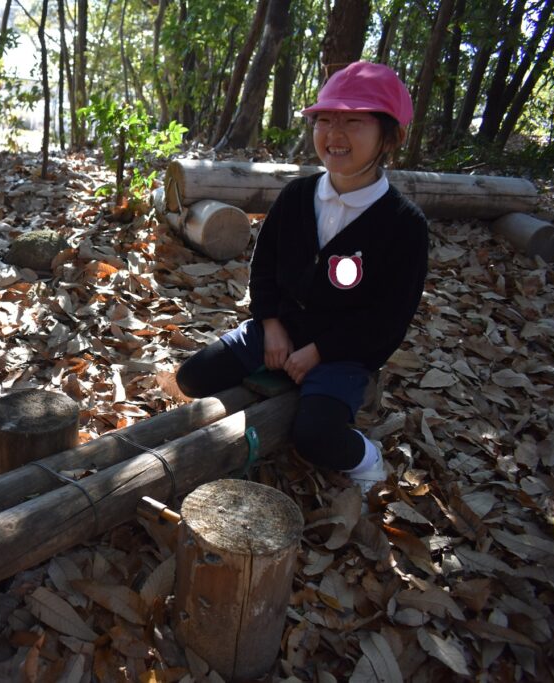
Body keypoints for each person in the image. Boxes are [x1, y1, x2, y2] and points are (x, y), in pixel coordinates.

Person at [176, 62, 429, 496]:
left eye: (353, 121)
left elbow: (388, 319)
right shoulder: (297, 196)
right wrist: (271, 323)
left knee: (315, 437)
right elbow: (265, 266)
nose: (334, 133)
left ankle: (366, 457)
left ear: (391, 137)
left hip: (343, 354)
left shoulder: (404, 225)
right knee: (193, 377)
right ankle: (260, 399)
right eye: (324, 120)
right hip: (278, 329)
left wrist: (321, 351)